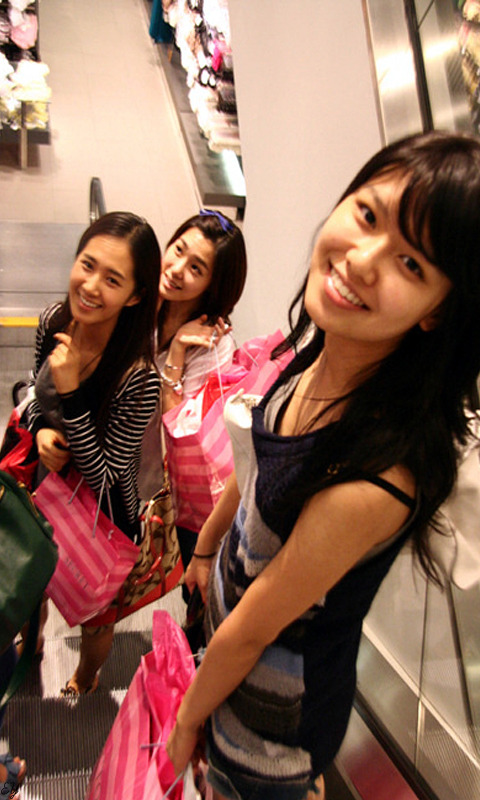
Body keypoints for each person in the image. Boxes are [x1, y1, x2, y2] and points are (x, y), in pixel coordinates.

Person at [165, 131, 480, 800]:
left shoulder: (375, 478)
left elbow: (255, 628)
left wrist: (188, 720)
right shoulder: (320, 347)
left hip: (267, 732)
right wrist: (207, 549)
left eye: (411, 263)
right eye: (367, 214)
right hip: (228, 669)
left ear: (438, 312)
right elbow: (255, 467)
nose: (361, 260)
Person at [24, 211, 162, 696]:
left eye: (112, 279)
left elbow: (106, 475)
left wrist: (72, 391)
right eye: (87, 265)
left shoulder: (138, 377)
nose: (90, 286)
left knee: (95, 616)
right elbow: (31, 393)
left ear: (136, 295)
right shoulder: (54, 321)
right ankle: (31, 641)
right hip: (42, 485)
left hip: (101, 516)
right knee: (30, 578)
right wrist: (41, 429)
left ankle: (86, 677)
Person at [139, 208, 247, 572]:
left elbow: (179, 429)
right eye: (178, 249)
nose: (176, 268)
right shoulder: (137, 298)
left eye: (196, 268)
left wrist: (178, 351)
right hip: (113, 458)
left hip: (165, 485)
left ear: (213, 286)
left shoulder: (215, 345)